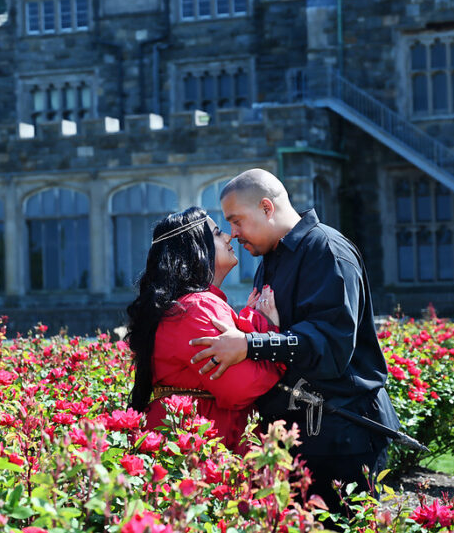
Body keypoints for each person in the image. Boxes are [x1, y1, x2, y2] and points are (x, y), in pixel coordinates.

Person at [189, 169, 400, 516]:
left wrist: (250, 343)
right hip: (302, 435)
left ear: (267, 207)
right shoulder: (271, 258)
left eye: (237, 220)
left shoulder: (326, 250)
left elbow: (330, 349)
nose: (233, 233)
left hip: (346, 435)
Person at [124, 206, 283, 453]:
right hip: (198, 451)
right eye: (218, 233)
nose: (229, 237)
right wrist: (267, 331)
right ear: (196, 249)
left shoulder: (187, 306)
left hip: (188, 442)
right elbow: (239, 388)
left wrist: (249, 323)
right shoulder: (196, 306)